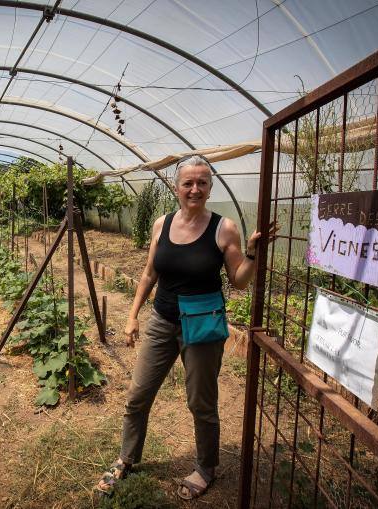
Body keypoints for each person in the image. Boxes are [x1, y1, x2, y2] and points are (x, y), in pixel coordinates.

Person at [96, 154, 277, 500]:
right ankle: (126, 458)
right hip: (162, 321)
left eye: (202, 183)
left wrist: (253, 254)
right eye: (188, 183)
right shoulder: (161, 224)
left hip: (203, 326)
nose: (195, 189)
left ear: (210, 188)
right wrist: (133, 315)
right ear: (176, 187)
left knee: (201, 402)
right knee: (138, 395)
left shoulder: (224, 228)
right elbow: (149, 273)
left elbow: (239, 281)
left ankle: (206, 468)